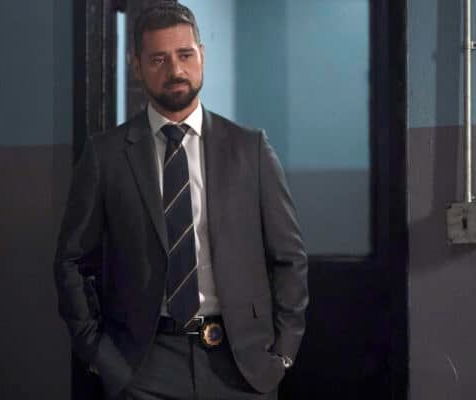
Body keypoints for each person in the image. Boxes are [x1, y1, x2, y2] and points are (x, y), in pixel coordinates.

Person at [53, 2, 308, 399]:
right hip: (144, 364)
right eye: (159, 59)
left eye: (185, 55)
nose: (175, 70)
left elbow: (289, 257)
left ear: (201, 56)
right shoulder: (106, 156)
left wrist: (283, 353)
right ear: (137, 66)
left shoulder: (250, 149)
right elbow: (71, 261)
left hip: (242, 364)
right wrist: (98, 354)